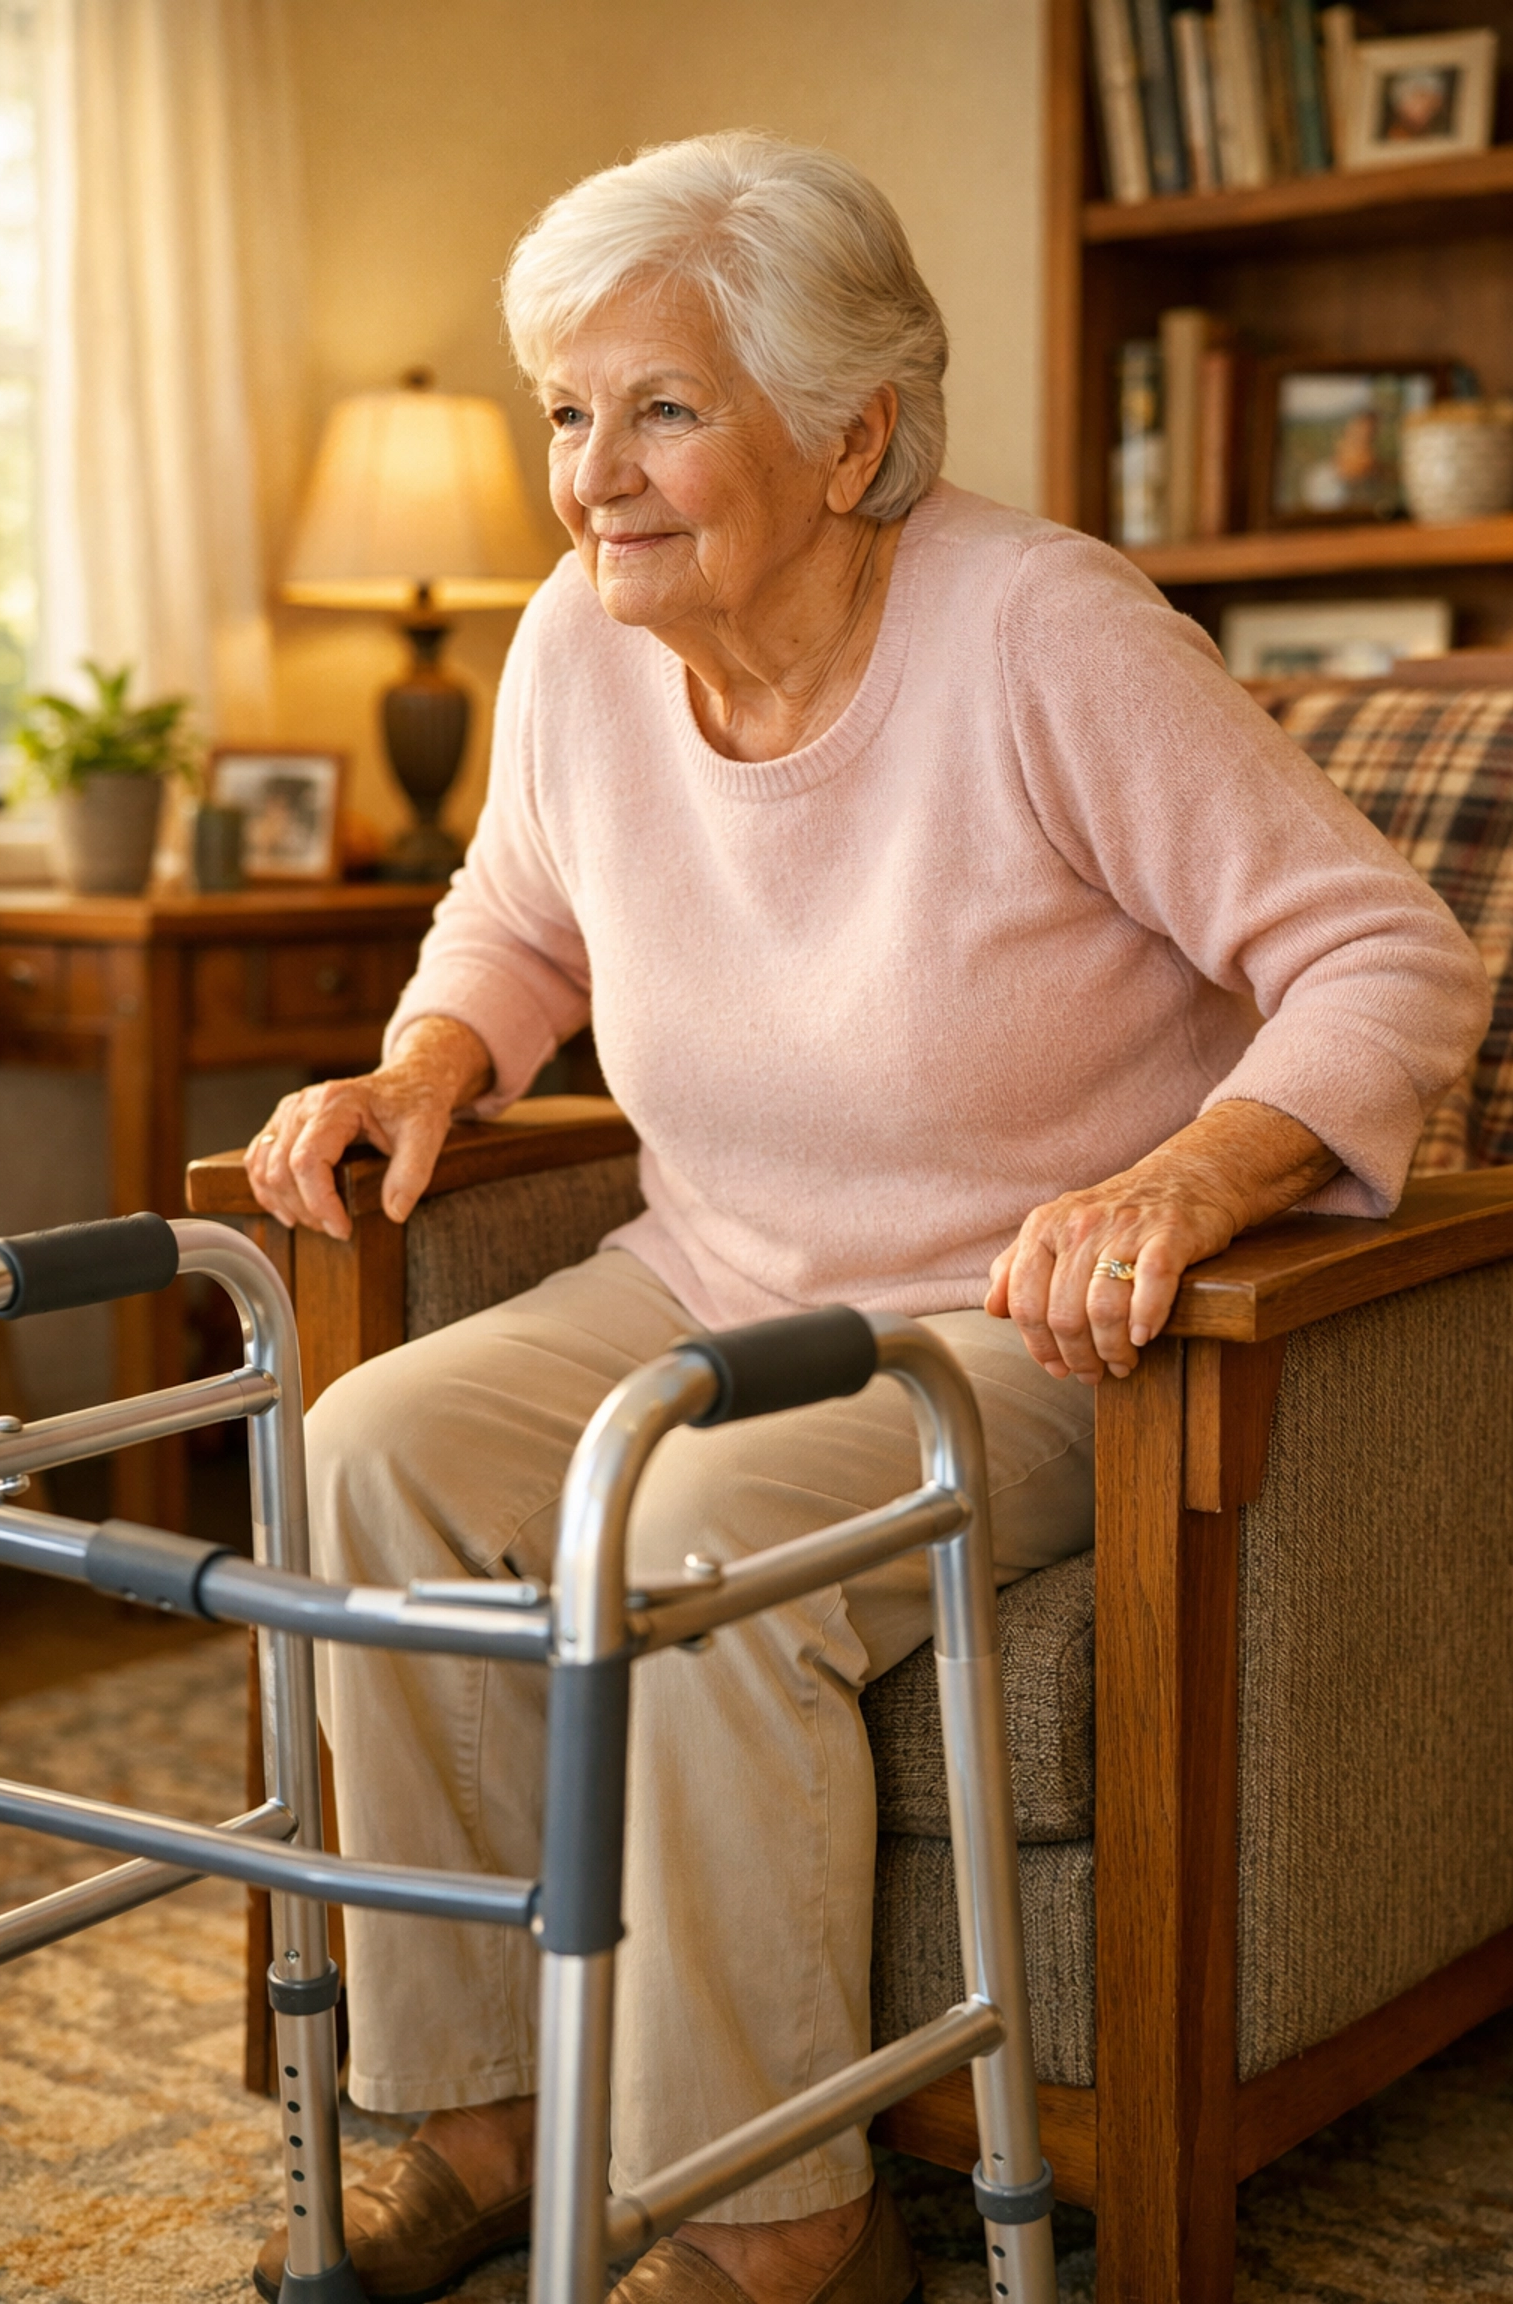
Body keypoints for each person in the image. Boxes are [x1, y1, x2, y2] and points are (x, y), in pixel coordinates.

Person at [246, 133, 1488, 2304]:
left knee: (707, 1524)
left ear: (855, 433)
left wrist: (1190, 1175)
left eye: (662, 409)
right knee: (372, 1452)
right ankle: (485, 2116)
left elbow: (1391, 959)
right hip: (712, 1265)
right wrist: (430, 1059)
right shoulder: (578, 641)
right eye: (566, 412)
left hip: (1014, 1316)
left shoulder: (1042, 635)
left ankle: (790, 2232)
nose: (592, 479)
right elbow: (516, 917)